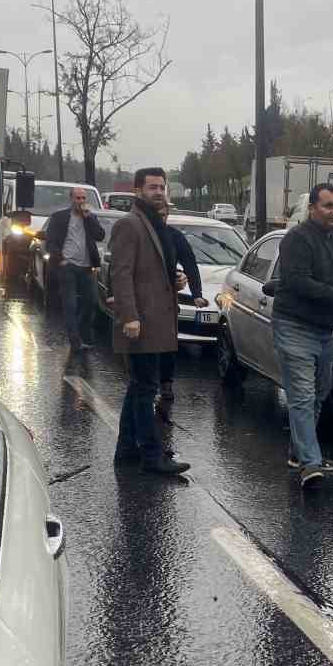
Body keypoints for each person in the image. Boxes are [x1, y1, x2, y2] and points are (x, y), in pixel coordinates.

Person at [271, 184, 333, 488]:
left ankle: (298, 453)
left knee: (319, 393)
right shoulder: (296, 239)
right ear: (312, 208)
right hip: (294, 325)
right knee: (301, 394)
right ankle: (310, 465)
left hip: (327, 329)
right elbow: (297, 281)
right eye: (329, 206)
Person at [109, 168, 189, 477]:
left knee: (139, 387)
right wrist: (129, 316)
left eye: (162, 187)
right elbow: (121, 273)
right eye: (152, 187)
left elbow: (152, 269)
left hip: (156, 318)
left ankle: (126, 450)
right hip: (141, 320)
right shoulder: (129, 224)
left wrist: (175, 279)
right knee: (145, 388)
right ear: (138, 190)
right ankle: (152, 455)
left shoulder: (153, 223)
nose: (158, 192)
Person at [156, 202, 205, 422]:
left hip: (166, 301)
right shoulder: (138, 234)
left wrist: (196, 293)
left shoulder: (174, 236)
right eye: (158, 214)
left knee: (167, 344)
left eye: (164, 215)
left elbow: (190, 263)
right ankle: (145, 384)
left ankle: (166, 383)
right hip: (142, 302)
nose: (162, 218)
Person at [44, 186, 106, 352]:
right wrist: (61, 260)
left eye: (83, 198)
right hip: (68, 267)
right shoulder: (60, 217)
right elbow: (50, 242)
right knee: (70, 304)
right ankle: (75, 341)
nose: (81, 202)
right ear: (71, 199)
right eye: (77, 198)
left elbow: (100, 235)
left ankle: (82, 333)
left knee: (91, 302)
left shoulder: (90, 217)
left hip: (87, 267)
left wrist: (89, 218)